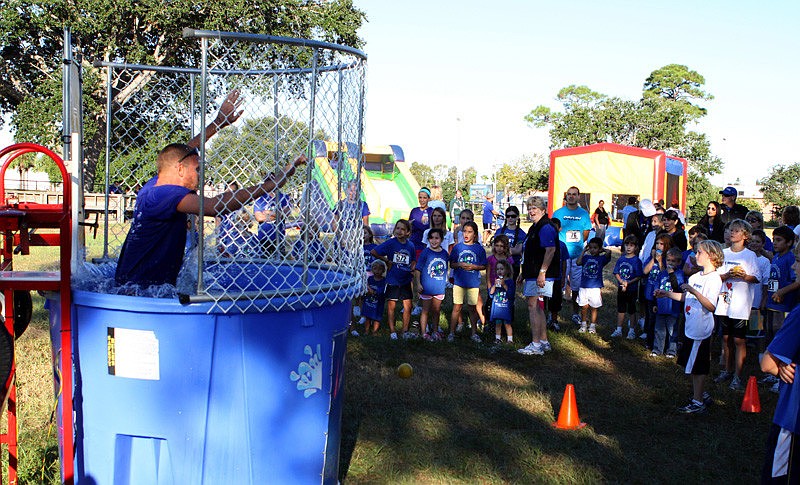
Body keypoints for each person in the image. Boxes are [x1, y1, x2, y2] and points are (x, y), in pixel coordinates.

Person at [115, 90, 307, 287]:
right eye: (197, 169)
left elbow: (184, 150)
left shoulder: (155, 184)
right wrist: (270, 185)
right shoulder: (166, 194)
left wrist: (218, 123)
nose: (201, 175)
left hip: (140, 284)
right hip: (141, 290)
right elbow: (215, 206)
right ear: (180, 169)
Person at [662, 240, 724, 414]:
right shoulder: (696, 277)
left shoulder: (714, 279)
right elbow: (685, 298)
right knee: (690, 364)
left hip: (701, 328)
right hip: (689, 325)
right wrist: (666, 294)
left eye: (699, 253)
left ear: (711, 256)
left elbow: (711, 306)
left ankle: (698, 401)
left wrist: (694, 291)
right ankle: (700, 394)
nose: (695, 256)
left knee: (698, 367)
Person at [759, 241, 800, 482]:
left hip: (792, 418)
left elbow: (767, 364)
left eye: (798, 260)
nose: (794, 265)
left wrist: (780, 365)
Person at [713, 219, 760, 391]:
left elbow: (756, 278)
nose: (732, 233)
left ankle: (738, 376)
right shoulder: (723, 253)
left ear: (745, 235)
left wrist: (743, 276)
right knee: (725, 337)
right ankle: (727, 369)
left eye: (737, 230)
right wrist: (727, 275)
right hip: (725, 301)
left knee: (739, 339)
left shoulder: (750, 255)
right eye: (731, 230)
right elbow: (715, 276)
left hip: (740, 304)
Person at [518, 196, 559, 355]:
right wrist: (523, 273)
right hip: (532, 273)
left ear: (543, 209)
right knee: (537, 306)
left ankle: (535, 344)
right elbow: (529, 252)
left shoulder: (546, 227)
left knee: (533, 306)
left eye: (535, 208)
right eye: (529, 208)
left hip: (540, 274)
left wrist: (542, 272)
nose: (531, 211)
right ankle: (543, 340)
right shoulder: (534, 227)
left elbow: (550, 250)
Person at [552, 186, 592, 325]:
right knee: (558, 286)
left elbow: (586, 233)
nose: (571, 197)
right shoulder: (558, 213)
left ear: (578, 197)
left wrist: (578, 243)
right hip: (562, 255)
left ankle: (575, 313)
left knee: (576, 287)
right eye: (569, 194)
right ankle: (553, 315)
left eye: (574, 194)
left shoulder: (584, 214)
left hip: (577, 256)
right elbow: (553, 231)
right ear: (566, 196)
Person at [371, 219, 417, 340]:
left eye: (403, 229)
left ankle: (405, 330)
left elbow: (412, 260)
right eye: (398, 228)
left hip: (406, 280)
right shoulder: (391, 243)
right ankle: (392, 331)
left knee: (408, 306)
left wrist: (413, 266)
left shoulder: (410, 245)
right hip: (393, 280)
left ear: (408, 232)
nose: (399, 231)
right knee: (392, 306)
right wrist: (386, 261)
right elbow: (374, 251)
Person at [448, 221, 487, 343]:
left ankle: (474, 333)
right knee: (457, 307)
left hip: (473, 283)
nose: (466, 234)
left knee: (472, 308)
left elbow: (484, 265)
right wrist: (459, 264)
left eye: (470, 232)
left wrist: (473, 267)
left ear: (475, 235)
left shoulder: (479, 249)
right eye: (465, 231)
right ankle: (451, 333)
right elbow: (452, 264)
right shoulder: (458, 247)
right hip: (459, 282)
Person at [415, 228, 449, 341]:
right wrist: (418, 284)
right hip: (426, 287)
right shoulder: (425, 252)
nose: (434, 241)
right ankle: (424, 332)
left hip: (439, 288)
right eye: (431, 238)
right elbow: (418, 269)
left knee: (436, 311)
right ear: (428, 239)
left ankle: (435, 331)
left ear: (441, 239)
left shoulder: (444, 253)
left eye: (437, 238)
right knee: (425, 310)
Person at [643, 234, 674, 350]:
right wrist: (653, 259)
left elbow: (664, 274)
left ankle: (664, 344)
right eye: (657, 243)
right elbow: (645, 271)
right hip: (650, 292)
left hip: (662, 294)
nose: (659, 246)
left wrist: (660, 262)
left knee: (660, 320)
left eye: (662, 244)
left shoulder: (668, 259)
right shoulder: (652, 257)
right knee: (650, 318)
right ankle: (650, 341)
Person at [652, 247, 685, 357]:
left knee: (672, 331)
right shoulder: (662, 273)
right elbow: (656, 287)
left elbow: (677, 288)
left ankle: (671, 350)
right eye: (668, 260)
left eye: (673, 261)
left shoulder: (680, 274)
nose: (670, 263)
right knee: (659, 329)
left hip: (673, 308)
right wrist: (655, 303)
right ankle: (657, 349)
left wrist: (671, 274)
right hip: (661, 306)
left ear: (679, 262)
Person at [576, 237, 611, 334]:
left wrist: (602, 249)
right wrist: (584, 251)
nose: (592, 250)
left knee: (594, 307)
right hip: (584, 286)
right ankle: (583, 324)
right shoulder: (586, 257)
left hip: (595, 287)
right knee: (583, 306)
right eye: (590, 247)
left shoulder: (601, 259)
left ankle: (592, 326)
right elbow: (578, 262)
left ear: (599, 249)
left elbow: (608, 253)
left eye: (595, 248)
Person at [611, 235, 643, 339]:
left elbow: (639, 276)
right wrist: (621, 281)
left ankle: (632, 330)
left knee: (632, 310)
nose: (628, 247)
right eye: (627, 245)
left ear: (636, 247)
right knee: (621, 308)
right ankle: (619, 329)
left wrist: (628, 283)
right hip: (621, 288)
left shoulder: (637, 261)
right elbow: (616, 272)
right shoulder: (621, 259)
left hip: (632, 290)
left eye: (631, 245)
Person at [546, 218, 569, 331]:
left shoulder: (562, 245)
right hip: (545, 277)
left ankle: (554, 321)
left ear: (559, 229)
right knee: (543, 300)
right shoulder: (544, 244)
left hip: (557, 277)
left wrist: (564, 277)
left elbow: (564, 262)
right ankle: (545, 319)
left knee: (555, 301)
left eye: (555, 228)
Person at [254, 187, 291, 256]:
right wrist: (277, 215)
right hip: (263, 237)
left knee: (279, 260)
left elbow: (284, 214)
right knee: (263, 260)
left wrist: (267, 213)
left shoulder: (284, 197)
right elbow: (259, 217)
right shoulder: (261, 198)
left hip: (279, 237)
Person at [494, 205, 526, 279]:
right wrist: (509, 250)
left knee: (510, 287)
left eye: (513, 216)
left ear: (517, 217)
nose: (510, 218)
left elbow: (518, 250)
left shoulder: (522, 234)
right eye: (508, 216)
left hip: (514, 265)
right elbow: (494, 247)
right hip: (499, 264)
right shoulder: (499, 231)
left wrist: (501, 250)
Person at [490, 260, 515, 345]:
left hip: (506, 307)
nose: (499, 271)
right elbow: (491, 293)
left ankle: (510, 339)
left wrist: (504, 285)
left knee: (507, 323)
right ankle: (497, 338)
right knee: (498, 323)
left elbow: (511, 294)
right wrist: (494, 285)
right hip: (498, 307)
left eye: (501, 269)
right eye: (497, 269)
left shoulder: (510, 281)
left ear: (507, 270)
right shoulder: (496, 281)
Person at [361, 260, 387, 336]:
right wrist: (367, 290)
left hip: (378, 303)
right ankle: (366, 330)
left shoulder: (384, 280)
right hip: (368, 302)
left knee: (377, 318)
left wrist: (373, 291)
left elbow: (381, 291)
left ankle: (374, 331)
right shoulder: (370, 279)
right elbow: (365, 288)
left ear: (383, 270)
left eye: (379, 269)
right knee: (368, 317)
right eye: (375, 269)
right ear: (372, 269)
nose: (377, 271)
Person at [409, 187, 434, 259]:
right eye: (420, 197)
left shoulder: (431, 211)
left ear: (428, 199)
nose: (422, 200)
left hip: (425, 244)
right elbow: (409, 226)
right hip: (413, 243)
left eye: (424, 198)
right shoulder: (414, 211)